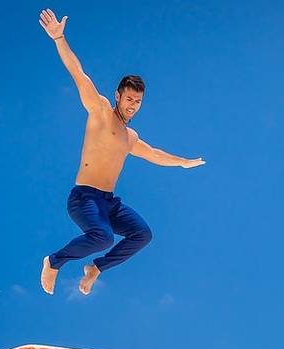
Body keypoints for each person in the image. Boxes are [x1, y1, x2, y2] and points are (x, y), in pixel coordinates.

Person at [37, 8, 205, 295]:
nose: (132, 105)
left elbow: (154, 154)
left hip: (109, 203)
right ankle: (53, 262)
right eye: (128, 99)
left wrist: (183, 162)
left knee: (142, 234)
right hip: (84, 197)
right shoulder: (101, 111)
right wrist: (58, 38)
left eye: (137, 101)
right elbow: (78, 74)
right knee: (102, 237)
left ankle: (96, 268)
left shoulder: (130, 137)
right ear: (118, 96)